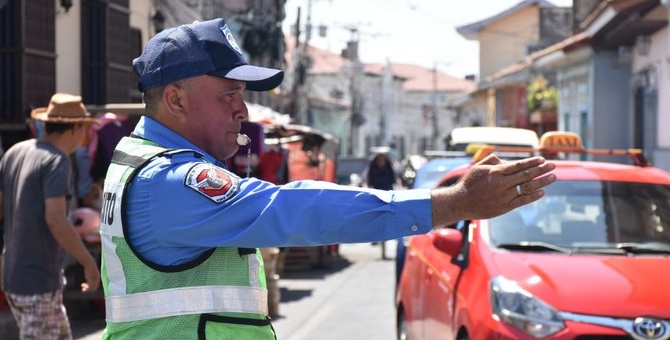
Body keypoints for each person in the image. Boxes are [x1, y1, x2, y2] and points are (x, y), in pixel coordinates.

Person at [99, 18, 556, 339]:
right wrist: (451, 204)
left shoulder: (145, 159)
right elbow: (294, 208)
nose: (243, 110)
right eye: (229, 95)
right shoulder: (172, 179)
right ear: (175, 100)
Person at [0, 93, 101, 339]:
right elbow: (56, 220)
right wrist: (88, 263)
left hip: (15, 273)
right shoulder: (57, 161)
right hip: (37, 280)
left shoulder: (16, 151)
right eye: (85, 127)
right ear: (75, 128)